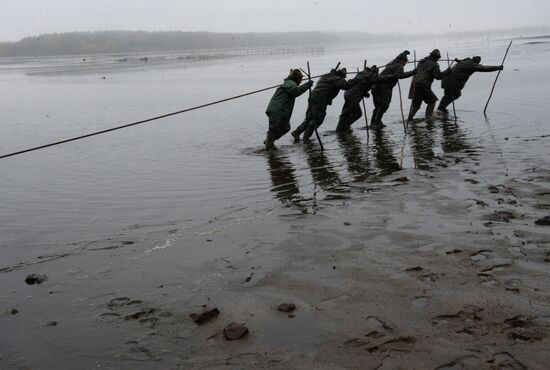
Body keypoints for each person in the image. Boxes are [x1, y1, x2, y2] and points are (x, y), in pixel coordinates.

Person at [291, 67, 357, 142]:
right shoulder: (336, 79)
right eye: (344, 77)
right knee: (317, 119)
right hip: (320, 100)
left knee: (309, 117)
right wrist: (357, 79)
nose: (344, 79)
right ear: (341, 76)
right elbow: (347, 85)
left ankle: (297, 132)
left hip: (313, 96)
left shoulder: (326, 75)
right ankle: (306, 138)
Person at [264, 69, 313, 150]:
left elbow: (292, 85)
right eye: (301, 80)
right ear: (297, 79)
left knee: (286, 127)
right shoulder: (291, 84)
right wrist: (307, 85)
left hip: (281, 111)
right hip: (277, 110)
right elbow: (296, 92)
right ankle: (269, 149)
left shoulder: (289, 82)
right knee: (273, 129)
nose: (301, 82)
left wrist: (291, 75)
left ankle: (269, 141)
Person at [437, 56, 503, 113]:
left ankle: (441, 109)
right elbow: (485, 68)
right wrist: (498, 67)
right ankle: (440, 109)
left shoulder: (464, 61)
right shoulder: (472, 65)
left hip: (446, 79)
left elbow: (462, 60)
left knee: (449, 95)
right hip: (452, 82)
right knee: (455, 94)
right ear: (476, 62)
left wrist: (458, 60)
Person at [371, 51, 416, 125]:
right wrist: (412, 72)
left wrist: (404, 53)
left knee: (378, 106)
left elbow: (396, 59)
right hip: (384, 88)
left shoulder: (391, 64)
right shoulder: (399, 66)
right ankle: (377, 123)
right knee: (384, 105)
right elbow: (400, 75)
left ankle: (373, 123)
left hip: (375, 87)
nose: (405, 63)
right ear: (401, 61)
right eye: (405, 61)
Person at [407, 49, 451, 122]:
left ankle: (409, 120)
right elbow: (438, 77)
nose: (438, 60)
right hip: (423, 86)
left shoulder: (421, 61)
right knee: (432, 101)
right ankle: (428, 118)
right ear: (436, 58)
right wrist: (447, 72)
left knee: (416, 106)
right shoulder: (435, 65)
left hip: (414, 85)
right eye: (438, 58)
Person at [335, 65, 379, 132]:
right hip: (353, 96)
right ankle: (344, 126)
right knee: (358, 113)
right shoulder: (371, 75)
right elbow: (372, 82)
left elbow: (361, 86)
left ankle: (340, 129)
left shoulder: (361, 74)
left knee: (345, 112)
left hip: (347, 93)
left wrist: (365, 93)